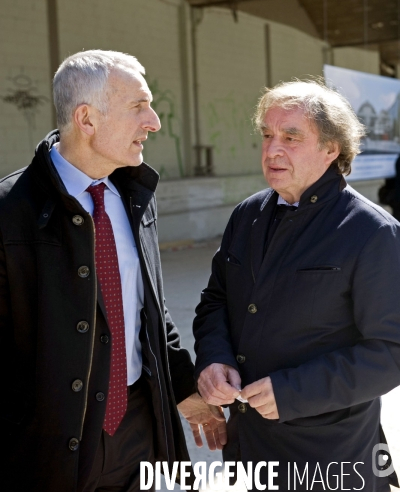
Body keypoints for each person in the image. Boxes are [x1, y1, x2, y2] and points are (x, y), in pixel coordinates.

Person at [0, 50, 226, 492]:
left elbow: (150, 309)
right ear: (86, 119)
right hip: (52, 445)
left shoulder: (135, 195)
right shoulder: (10, 213)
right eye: (138, 106)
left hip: (140, 427)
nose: (154, 122)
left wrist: (184, 388)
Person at [193, 80, 400, 492]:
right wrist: (213, 360)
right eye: (267, 135)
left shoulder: (371, 231)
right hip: (247, 449)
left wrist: (292, 392)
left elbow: (391, 352)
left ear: (331, 149)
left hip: (327, 456)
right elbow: (216, 300)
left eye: (291, 137)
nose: (272, 150)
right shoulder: (247, 215)